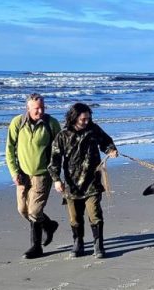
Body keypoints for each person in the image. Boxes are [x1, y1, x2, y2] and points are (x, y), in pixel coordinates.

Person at [49, 103, 118, 258]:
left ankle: (98, 245)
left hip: (92, 181)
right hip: (72, 185)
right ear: (74, 118)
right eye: (83, 119)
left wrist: (111, 150)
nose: (87, 121)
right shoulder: (63, 135)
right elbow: (54, 160)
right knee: (75, 217)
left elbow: (106, 142)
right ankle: (78, 243)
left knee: (95, 213)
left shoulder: (93, 130)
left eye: (89, 118)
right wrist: (56, 180)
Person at [5, 93, 62, 259]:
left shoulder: (51, 124)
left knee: (35, 211)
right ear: (28, 108)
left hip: (42, 174)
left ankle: (36, 247)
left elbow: (59, 150)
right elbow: (9, 150)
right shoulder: (17, 123)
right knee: (22, 210)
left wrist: (56, 174)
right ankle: (49, 225)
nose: (40, 111)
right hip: (22, 175)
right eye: (36, 108)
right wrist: (14, 172)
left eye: (43, 107)